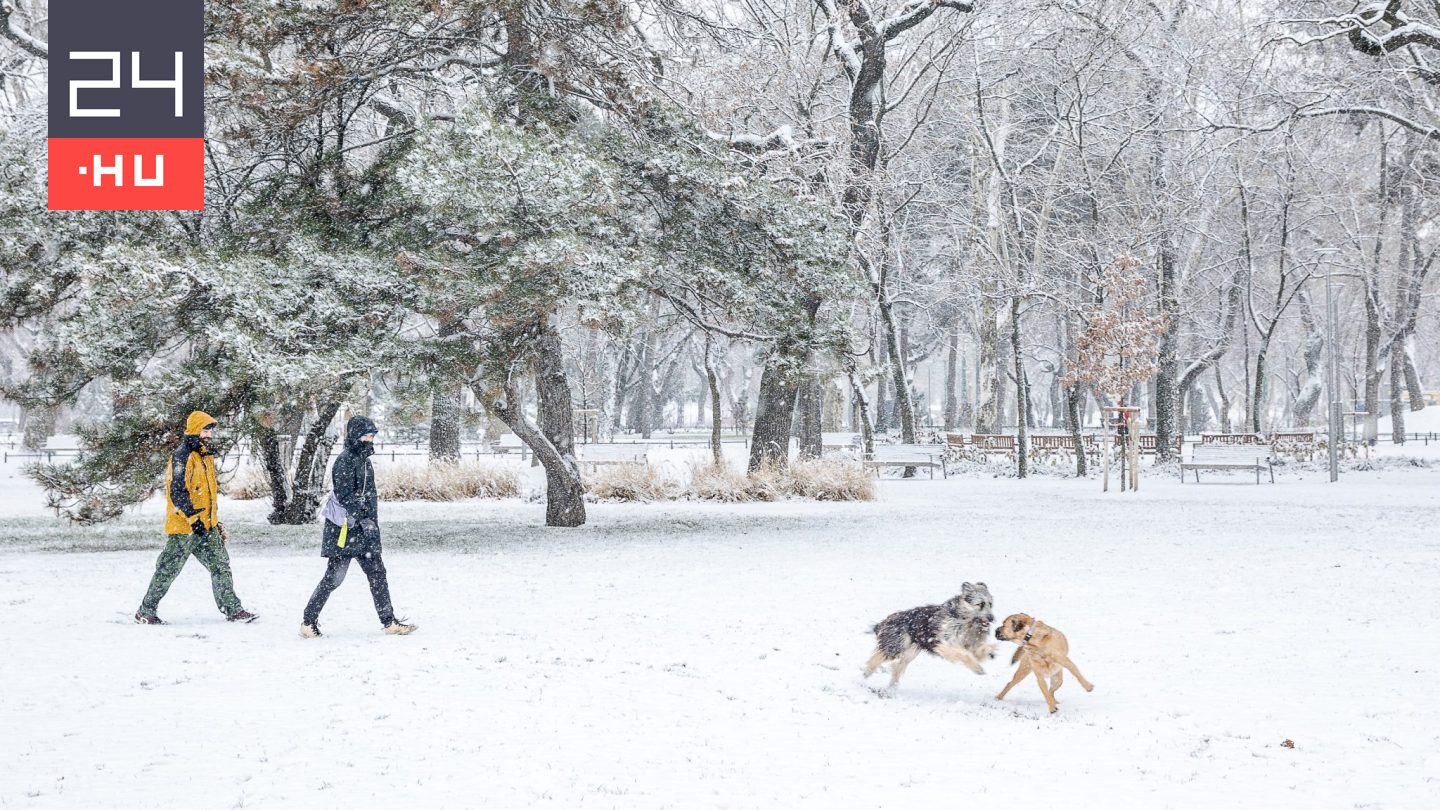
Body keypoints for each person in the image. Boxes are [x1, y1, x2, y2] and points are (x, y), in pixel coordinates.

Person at [136, 411, 257, 624]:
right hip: (185, 526)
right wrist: (193, 518)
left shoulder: (206, 457)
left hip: (207, 527)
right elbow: (177, 491)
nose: (208, 434)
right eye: (204, 429)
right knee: (168, 569)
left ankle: (233, 610)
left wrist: (213, 521)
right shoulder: (182, 456)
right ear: (194, 430)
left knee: (221, 565)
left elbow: (207, 494)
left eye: (210, 430)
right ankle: (146, 611)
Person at [301, 415, 416, 637]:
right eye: (365, 435)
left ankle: (389, 621)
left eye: (372, 435)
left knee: (377, 573)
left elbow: (367, 495)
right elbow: (345, 495)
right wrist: (364, 518)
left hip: (364, 531)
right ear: (354, 436)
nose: (369, 439)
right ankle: (308, 622)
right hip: (346, 531)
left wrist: (369, 521)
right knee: (334, 578)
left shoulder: (364, 460)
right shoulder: (345, 460)